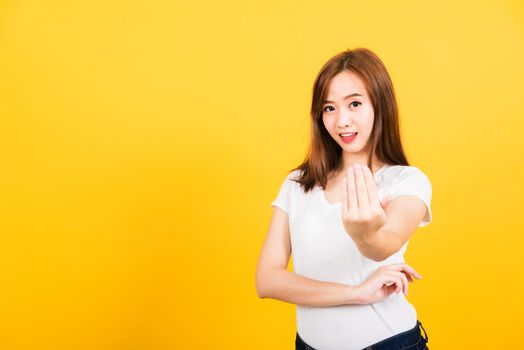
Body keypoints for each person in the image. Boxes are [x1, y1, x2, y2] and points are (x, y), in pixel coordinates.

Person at [255, 48, 432, 350]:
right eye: (329, 108)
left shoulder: (406, 181)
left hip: (389, 344)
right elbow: (267, 280)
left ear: (380, 105)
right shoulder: (297, 184)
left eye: (354, 103)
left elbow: (384, 245)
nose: (341, 121)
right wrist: (356, 292)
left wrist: (366, 235)